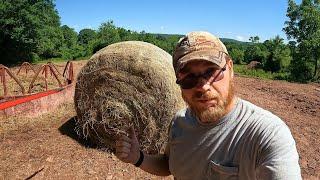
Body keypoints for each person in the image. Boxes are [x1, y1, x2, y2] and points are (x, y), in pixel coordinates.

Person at [115, 31, 301, 179]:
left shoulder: (266, 133)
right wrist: (138, 158)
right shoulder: (179, 122)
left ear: (230, 69)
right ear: (177, 80)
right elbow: (169, 165)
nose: (203, 86)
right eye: (189, 77)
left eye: (211, 72)